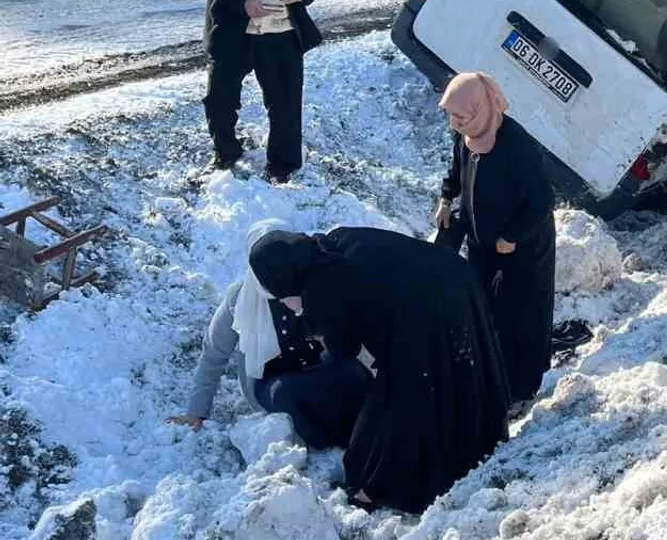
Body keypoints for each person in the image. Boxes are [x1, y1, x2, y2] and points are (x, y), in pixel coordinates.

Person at [249, 226, 511, 513]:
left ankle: (379, 484)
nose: (282, 301)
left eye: (279, 293)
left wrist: (307, 317)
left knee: (410, 389)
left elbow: (346, 351)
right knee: (456, 371)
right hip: (455, 278)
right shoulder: (332, 243)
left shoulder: (322, 290)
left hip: (431, 308)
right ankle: (479, 436)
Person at [168, 220, 370, 449]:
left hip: (316, 364)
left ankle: (365, 436)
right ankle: (327, 447)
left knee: (353, 374)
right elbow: (214, 354)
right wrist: (196, 412)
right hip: (270, 379)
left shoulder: (310, 283)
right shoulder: (239, 298)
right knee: (289, 393)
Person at [433, 73, 557, 408]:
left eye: (462, 116)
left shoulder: (516, 146)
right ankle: (490, 379)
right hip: (484, 240)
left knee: (520, 316)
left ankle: (522, 390)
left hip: (523, 247)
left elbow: (542, 200)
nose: (456, 124)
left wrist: (512, 237)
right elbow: (456, 169)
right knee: (484, 309)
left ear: (481, 109)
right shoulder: (469, 134)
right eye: (452, 116)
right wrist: (447, 199)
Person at [197, 0, 326, 184]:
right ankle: (226, 153)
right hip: (232, 29)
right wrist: (242, 1)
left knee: (286, 102)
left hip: (281, 31)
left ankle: (283, 166)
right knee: (220, 99)